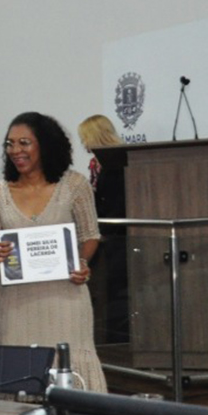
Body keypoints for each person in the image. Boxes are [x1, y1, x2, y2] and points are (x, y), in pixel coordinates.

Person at [0, 113, 107, 393]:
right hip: (15, 305)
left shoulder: (75, 185)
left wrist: (82, 262)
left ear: (45, 144)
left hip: (66, 299)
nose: (15, 150)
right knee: (19, 381)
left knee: (71, 380)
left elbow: (90, 235)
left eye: (24, 142)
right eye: (10, 144)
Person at [78, 114, 128, 344]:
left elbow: (115, 206)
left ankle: (117, 342)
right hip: (107, 238)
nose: (83, 143)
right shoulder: (101, 165)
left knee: (117, 294)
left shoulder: (117, 166)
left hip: (117, 240)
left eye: (85, 137)